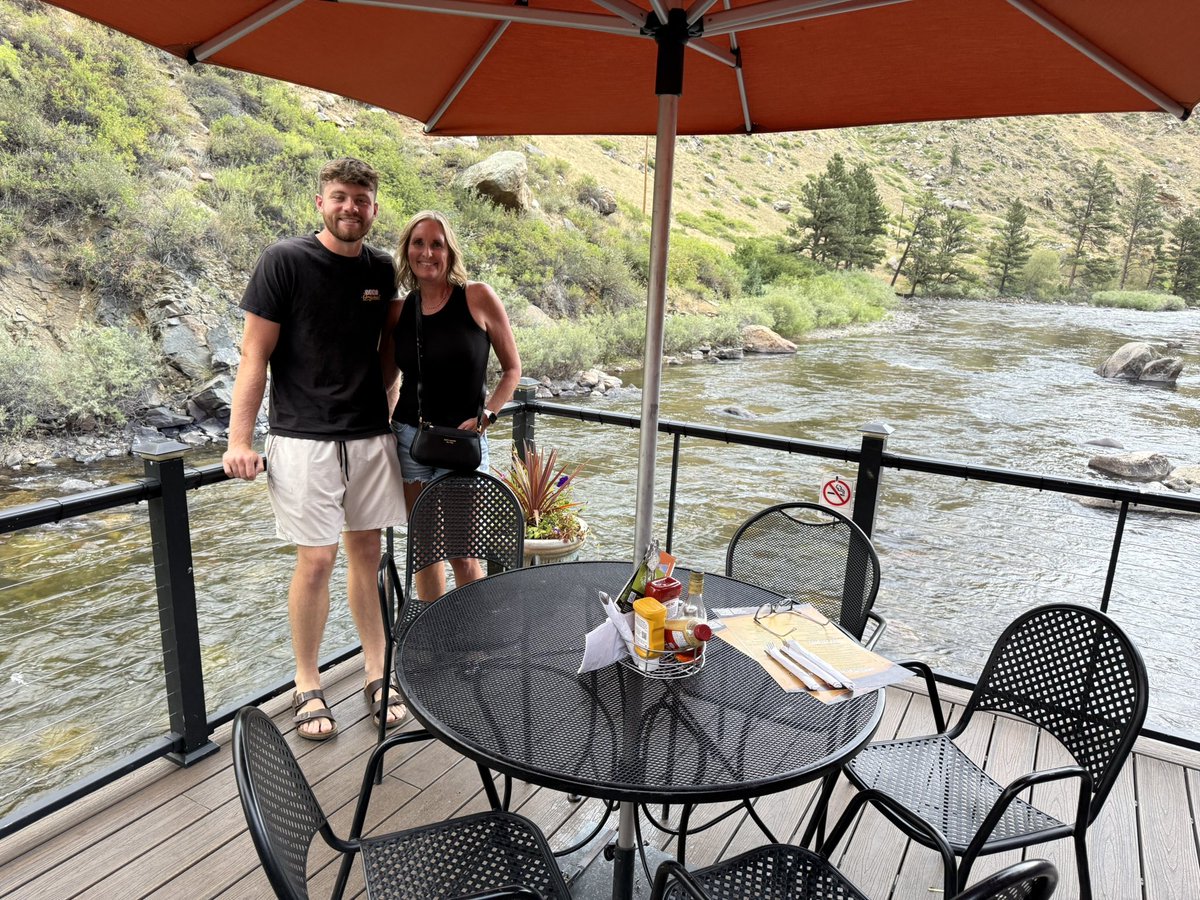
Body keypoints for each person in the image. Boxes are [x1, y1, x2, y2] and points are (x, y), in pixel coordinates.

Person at [222, 158, 407, 741]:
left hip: (369, 436)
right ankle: (307, 681)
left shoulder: (381, 268)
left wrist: (389, 408)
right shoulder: (284, 261)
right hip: (303, 437)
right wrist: (238, 440)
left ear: (374, 209)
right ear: (321, 202)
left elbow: (387, 351)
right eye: (340, 196)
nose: (351, 207)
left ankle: (377, 671)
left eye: (361, 199)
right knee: (317, 560)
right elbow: (254, 354)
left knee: (366, 554)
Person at [384, 210, 521, 601]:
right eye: (418, 243)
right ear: (407, 250)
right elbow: (387, 379)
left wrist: (487, 415)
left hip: (462, 444)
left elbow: (512, 369)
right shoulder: (398, 311)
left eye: (436, 244)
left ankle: (469, 630)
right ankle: (434, 628)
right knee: (425, 548)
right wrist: (382, 425)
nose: (427, 253)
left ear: (450, 252)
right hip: (410, 440)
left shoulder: (477, 297)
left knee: (463, 550)